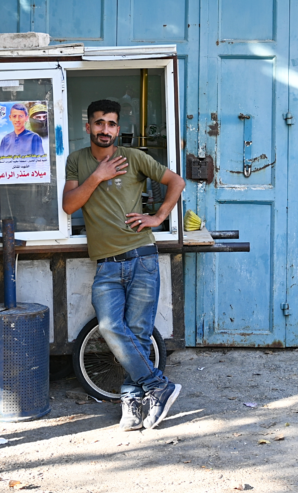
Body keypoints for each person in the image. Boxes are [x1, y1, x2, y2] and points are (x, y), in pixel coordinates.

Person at [62, 99, 187, 431]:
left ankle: (132, 403)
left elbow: (176, 181)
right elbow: (69, 205)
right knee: (109, 327)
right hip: (106, 266)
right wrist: (98, 176)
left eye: (112, 124)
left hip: (141, 258)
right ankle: (157, 384)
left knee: (138, 334)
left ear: (118, 129)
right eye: (99, 123)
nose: (106, 129)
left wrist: (158, 216)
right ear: (88, 126)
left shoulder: (132, 157)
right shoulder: (76, 161)